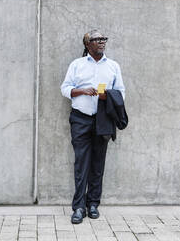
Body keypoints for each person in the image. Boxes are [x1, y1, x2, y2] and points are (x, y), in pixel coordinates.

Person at [60, 29, 125, 224]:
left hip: (103, 119)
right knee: (81, 163)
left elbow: (121, 92)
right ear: (87, 44)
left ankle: (93, 204)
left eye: (103, 39)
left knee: (98, 164)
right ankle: (79, 207)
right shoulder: (77, 65)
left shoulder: (113, 66)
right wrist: (81, 91)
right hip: (80, 119)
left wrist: (107, 96)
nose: (101, 42)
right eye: (96, 39)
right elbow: (65, 88)